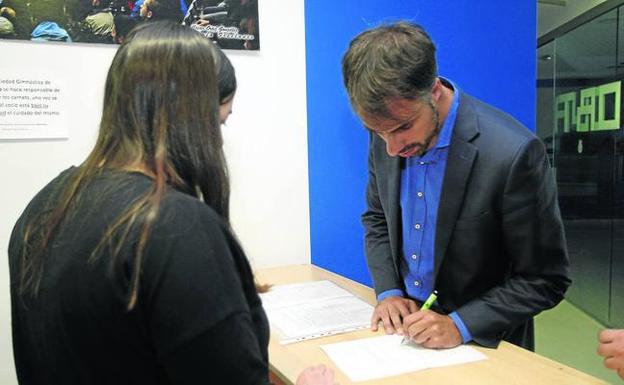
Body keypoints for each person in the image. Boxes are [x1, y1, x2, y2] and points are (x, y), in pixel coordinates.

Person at [9, 21, 333, 385]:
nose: (219, 144)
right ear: (194, 118)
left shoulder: (46, 204)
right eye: (220, 122)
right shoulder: (175, 227)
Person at [341, 21, 571, 350]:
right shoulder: (389, 128)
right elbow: (378, 218)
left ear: (433, 91)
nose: (391, 148)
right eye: (378, 132)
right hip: (404, 338)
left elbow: (546, 279)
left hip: (484, 343)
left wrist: (459, 326)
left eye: (403, 127)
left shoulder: (513, 153)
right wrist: (389, 292)